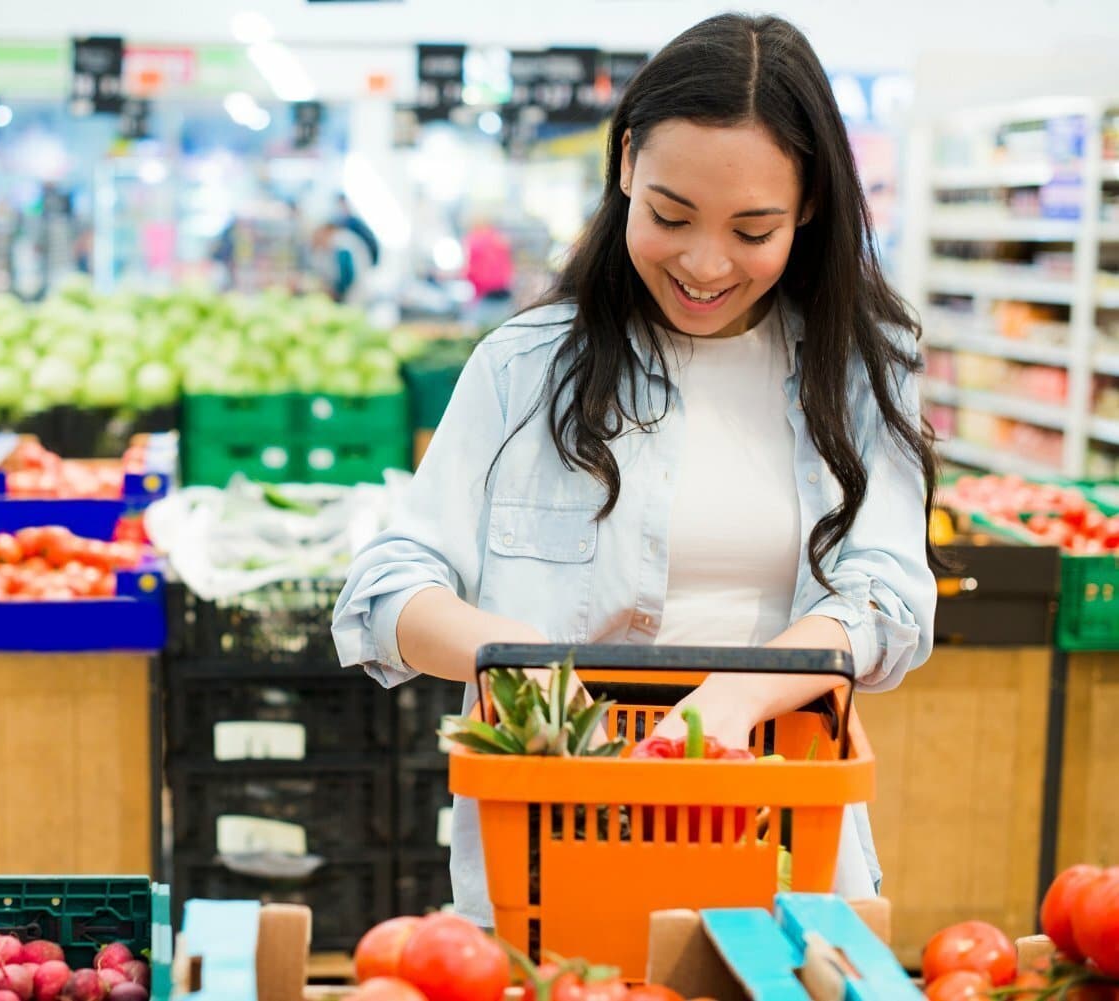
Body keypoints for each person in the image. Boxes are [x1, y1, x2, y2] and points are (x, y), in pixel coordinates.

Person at [333, 13, 938, 926]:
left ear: (810, 205)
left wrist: (733, 696)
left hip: (779, 851)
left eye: (753, 229)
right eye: (669, 215)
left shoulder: (860, 370)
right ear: (625, 169)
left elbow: (891, 596)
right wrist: (515, 662)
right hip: (547, 859)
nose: (703, 262)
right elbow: (384, 592)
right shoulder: (525, 366)